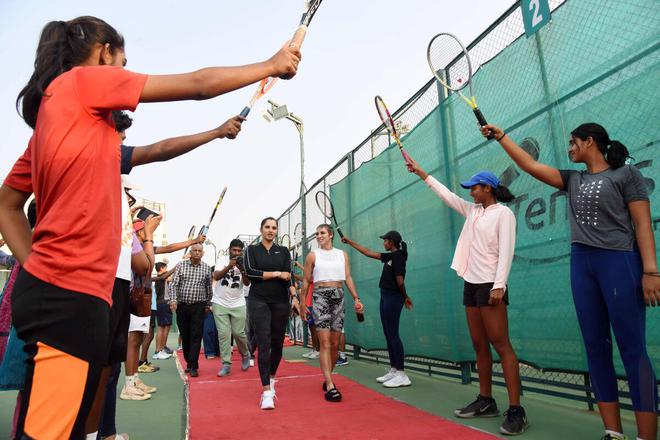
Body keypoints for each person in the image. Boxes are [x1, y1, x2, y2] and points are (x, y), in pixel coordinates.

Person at [0, 15, 300, 438]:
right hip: (67, 295)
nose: (124, 73)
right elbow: (197, 84)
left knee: (61, 425)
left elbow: (7, 205)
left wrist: (33, 267)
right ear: (104, 53)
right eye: (122, 62)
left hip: (65, 293)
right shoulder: (83, 81)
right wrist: (270, 64)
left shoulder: (64, 123)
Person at [481, 123, 658, 440]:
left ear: (590, 142)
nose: (569, 148)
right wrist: (501, 137)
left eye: (573, 142)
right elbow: (529, 165)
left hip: (620, 263)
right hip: (582, 266)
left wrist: (650, 271)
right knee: (595, 348)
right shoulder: (573, 179)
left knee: (633, 350)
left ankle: (646, 436)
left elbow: (643, 224)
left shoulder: (625, 175)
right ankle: (613, 432)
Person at [407, 156, 528, 435]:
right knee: (478, 344)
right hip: (471, 284)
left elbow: (507, 250)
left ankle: (516, 410)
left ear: (488, 188)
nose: (471, 192)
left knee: (502, 344)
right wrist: (422, 172)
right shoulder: (473, 211)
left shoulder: (504, 214)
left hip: (491, 285)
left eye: (475, 187)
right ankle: (486, 401)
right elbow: (447, 195)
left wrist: (500, 284)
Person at [342, 231, 413, 389]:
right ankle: (394, 369)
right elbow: (368, 252)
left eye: (385, 240)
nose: (383, 243)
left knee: (393, 334)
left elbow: (400, 280)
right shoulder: (390, 256)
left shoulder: (398, 257)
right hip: (385, 295)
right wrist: (350, 242)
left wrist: (405, 296)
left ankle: (402, 374)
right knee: (388, 333)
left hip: (394, 297)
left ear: (392, 242)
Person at [300, 224, 362, 401]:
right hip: (320, 296)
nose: (319, 236)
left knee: (335, 343)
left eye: (322, 233)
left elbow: (348, 277)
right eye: (317, 233)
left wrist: (356, 298)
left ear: (331, 235)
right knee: (325, 343)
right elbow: (305, 281)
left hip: (339, 295)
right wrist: (304, 303)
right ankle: (330, 384)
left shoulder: (342, 255)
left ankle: (328, 375)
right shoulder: (313, 255)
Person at [244, 217, 298, 410]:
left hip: (281, 301)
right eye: (267, 227)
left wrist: (295, 297)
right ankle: (266, 391)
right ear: (261, 229)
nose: (270, 230)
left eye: (274, 227)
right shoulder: (251, 250)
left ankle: (272, 378)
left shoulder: (283, 251)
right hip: (258, 300)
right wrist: (276, 273)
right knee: (264, 342)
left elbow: (288, 277)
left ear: (276, 231)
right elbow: (251, 274)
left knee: (277, 344)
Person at [169, 244, 213, 377]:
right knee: (185, 335)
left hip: (199, 306)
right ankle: (189, 361)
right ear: (190, 252)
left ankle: (193, 365)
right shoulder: (181, 266)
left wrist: (207, 304)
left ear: (203, 253)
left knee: (196, 335)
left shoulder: (206, 268)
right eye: (195, 251)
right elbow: (174, 284)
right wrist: (173, 300)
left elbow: (208, 288)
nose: (197, 253)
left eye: (200, 251)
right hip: (182, 306)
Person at [212, 239, 251, 376]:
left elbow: (246, 283)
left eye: (239, 251)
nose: (236, 253)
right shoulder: (222, 260)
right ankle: (226, 364)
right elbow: (216, 276)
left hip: (238, 303)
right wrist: (229, 266)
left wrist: (242, 270)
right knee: (224, 334)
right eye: (234, 250)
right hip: (220, 303)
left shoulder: (245, 263)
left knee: (239, 333)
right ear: (229, 249)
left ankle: (245, 354)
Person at [152, 262, 177, 360]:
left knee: (165, 327)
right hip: (163, 304)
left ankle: (162, 348)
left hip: (162, 304)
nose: (167, 270)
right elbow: (172, 277)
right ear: (162, 269)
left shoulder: (162, 277)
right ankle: (158, 350)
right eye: (165, 268)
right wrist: (183, 260)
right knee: (161, 327)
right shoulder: (163, 277)